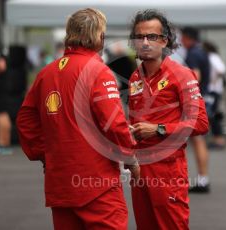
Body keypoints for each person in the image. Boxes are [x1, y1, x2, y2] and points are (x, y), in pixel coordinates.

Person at [16, 8, 139, 229]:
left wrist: (45, 155)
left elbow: (26, 119)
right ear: (99, 36)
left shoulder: (47, 73)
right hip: (96, 183)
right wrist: (131, 159)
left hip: (60, 182)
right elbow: (114, 123)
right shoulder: (98, 71)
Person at [128, 9, 209, 229]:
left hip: (168, 170)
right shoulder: (135, 77)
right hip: (140, 169)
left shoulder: (181, 74)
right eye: (139, 37)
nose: (145, 42)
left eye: (151, 37)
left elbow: (201, 123)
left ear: (164, 41)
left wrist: (159, 129)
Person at [181, 27, 211, 193]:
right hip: (205, 98)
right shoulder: (202, 51)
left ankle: (202, 179)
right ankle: (203, 177)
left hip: (196, 102)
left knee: (197, 140)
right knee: (199, 141)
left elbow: (195, 77)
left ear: (187, 38)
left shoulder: (193, 53)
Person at [203, 41, 226, 148]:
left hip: (213, 90)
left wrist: (213, 80)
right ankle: (217, 138)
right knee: (212, 114)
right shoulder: (213, 56)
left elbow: (221, 70)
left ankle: (219, 139)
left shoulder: (212, 57)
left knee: (212, 114)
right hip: (214, 90)